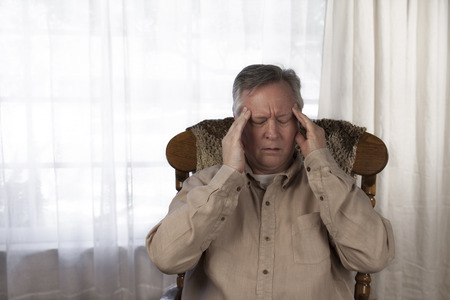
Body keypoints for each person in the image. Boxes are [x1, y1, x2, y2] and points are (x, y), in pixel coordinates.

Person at [146, 64, 395, 300]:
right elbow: (167, 260)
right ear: (237, 123)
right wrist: (228, 175)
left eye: (284, 119)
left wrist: (322, 163)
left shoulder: (330, 185)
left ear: (300, 119)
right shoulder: (205, 184)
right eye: (258, 120)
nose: (272, 132)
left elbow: (373, 258)